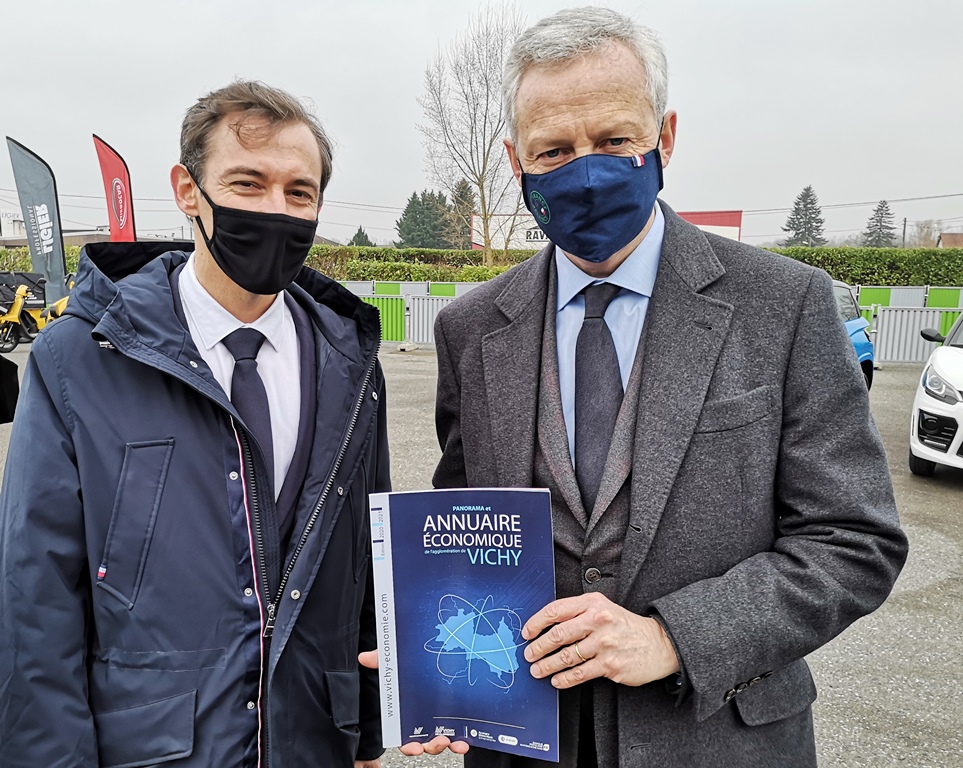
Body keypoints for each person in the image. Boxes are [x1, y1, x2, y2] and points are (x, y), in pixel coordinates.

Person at [427, 8, 909, 767]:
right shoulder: (470, 328)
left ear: (665, 136)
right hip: (522, 740)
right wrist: (438, 676)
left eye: (614, 140)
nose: (585, 169)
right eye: (552, 149)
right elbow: (461, 528)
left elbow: (854, 540)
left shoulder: (784, 305)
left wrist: (672, 636)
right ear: (514, 162)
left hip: (718, 741)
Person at [0, 81, 388, 767]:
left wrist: (373, 720)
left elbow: (364, 552)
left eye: (299, 193)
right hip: (153, 749)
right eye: (247, 183)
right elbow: (37, 597)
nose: (277, 210)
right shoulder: (78, 359)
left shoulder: (350, 365)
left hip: (313, 743)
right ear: (188, 190)